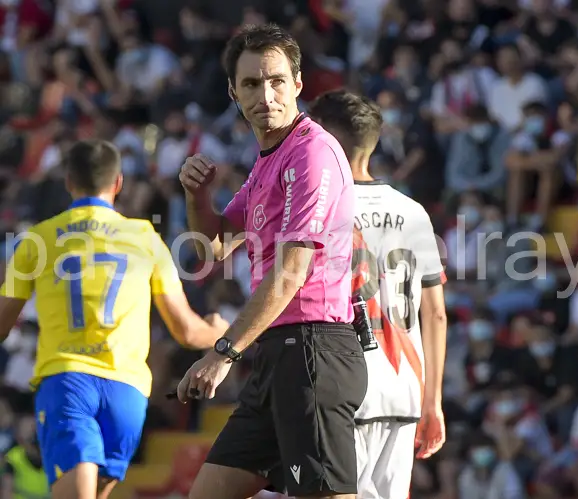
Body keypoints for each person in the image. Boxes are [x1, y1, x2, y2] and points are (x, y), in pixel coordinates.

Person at [176, 24, 364, 499]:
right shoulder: (267, 160)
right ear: (233, 93)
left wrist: (222, 353)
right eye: (252, 84)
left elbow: (290, 274)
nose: (267, 95)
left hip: (314, 350)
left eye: (277, 80)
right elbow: (213, 248)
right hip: (275, 354)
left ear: (299, 83)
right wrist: (196, 196)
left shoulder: (312, 153)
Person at [0, 140, 226, 499]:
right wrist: (222, 332)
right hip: (127, 392)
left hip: (67, 383)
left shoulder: (37, 240)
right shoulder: (146, 238)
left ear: (69, 181)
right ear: (118, 183)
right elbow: (186, 330)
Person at [309, 89, 448, 499]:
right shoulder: (413, 210)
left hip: (345, 383)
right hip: (406, 385)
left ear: (326, 136)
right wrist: (433, 401)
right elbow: (435, 314)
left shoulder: (323, 209)